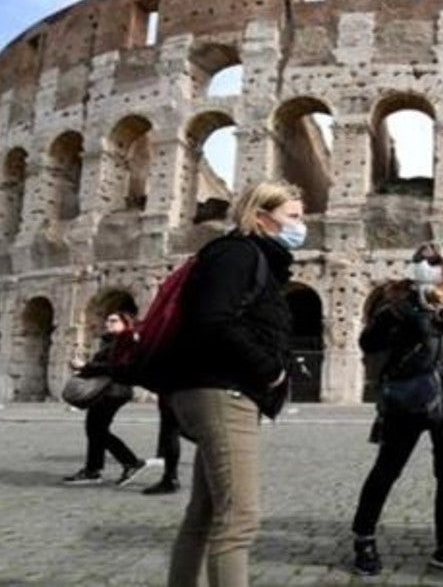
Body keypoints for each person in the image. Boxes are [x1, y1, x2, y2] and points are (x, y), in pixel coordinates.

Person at [163, 180, 303, 587]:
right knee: (239, 520)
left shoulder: (244, 255)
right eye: (292, 217)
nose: (301, 225)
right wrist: (270, 370)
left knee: (204, 514)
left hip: (216, 389)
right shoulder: (238, 254)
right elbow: (212, 321)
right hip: (224, 392)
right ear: (261, 217)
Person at [351, 241, 443, 577]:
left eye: (433, 260)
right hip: (410, 392)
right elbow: (367, 344)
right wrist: (392, 316)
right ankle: (364, 538)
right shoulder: (398, 302)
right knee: (388, 467)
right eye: (418, 259)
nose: (424, 264)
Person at [62, 311, 155, 487]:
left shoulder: (127, 339)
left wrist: (87, 366)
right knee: (95, 428)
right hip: (107, 390)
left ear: (125, 322)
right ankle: (93, 470)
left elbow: (117, 366)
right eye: (107, 320)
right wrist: (83, 368)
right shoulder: (111, 341)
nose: (108, 323)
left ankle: (130, 463)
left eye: (114, 320)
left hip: (114, 390)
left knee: (97, 429)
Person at [142, 396, 181, 495]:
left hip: (174, 392)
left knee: (170, 431)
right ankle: (171, 478)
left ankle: (171, 479)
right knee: (173, 430)